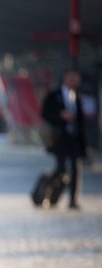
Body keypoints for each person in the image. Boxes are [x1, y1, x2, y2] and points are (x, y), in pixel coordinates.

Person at [41, 68, 88, 209]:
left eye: (76, 78)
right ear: (65, 77)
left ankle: (73, 200)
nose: (74, 80)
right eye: (71, 77)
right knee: (60, 168)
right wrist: (60, 115)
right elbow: (45, 113)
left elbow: (81, 122)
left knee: (75, 170)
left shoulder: (77, 96)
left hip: (74, 138)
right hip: (59, 138)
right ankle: (48, 195)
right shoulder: (54, 95)